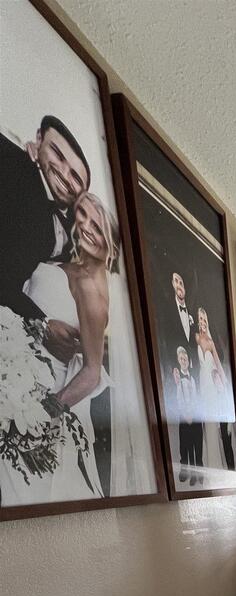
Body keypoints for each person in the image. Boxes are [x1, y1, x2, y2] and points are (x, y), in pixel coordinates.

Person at [1, 191, 119, 504]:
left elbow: (92, 373)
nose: (89, 228)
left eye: (98, 224)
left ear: (110, 239)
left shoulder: (91, 287)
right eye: (83, 217)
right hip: (15, 377)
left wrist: (44, 414)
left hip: (40, 398)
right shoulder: (62, 265)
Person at [0, 115, 89, 360]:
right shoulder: (14, 164)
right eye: (57, 155)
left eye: (75, 177)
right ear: (38, 140)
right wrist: (43, 324)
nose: (63, 172)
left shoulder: (69, 229)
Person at [195, 306, 235, 471]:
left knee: (213, 425)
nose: (203, 322)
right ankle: (209, 461)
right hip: (202, 384)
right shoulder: (196, 338)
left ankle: (217, 463)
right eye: (200, 319)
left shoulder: (210, 342)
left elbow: (218, 365)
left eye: (205, 320)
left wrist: (225, 389)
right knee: (205, 425)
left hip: (211, 386)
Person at [172, 346, 203, 484]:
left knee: (197, 445)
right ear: (178, 361)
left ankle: (199, 474)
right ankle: (187, 473)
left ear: (188, 360)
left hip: (195, 416)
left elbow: (197, 398)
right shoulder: (178, 380)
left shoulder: (194, 378)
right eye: (181, 359)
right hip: (184, 417)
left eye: (185, 358)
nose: (183, 360)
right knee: (186, 446)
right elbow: (178, 400)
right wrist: (186, 415)